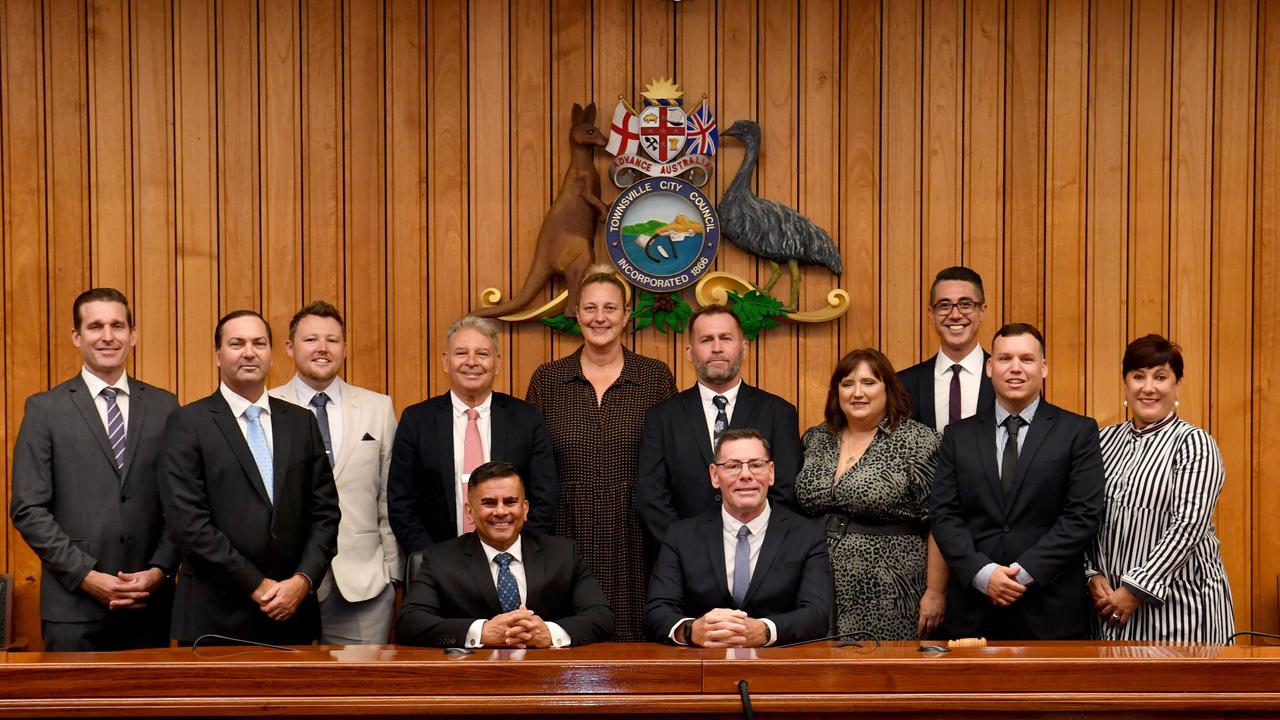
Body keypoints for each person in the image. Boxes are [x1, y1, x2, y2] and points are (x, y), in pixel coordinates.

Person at [10, 289, 179, 651]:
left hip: (149, 605)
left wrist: (158, 570)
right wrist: (85, 575)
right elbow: (28, 508)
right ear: (77, 336)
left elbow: (182, 503)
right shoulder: (45, 410)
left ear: (133, 334)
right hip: (73, 608)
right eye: (95, 326)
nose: (107, 336)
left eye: (117, 325)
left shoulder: (166, 406)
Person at [159, 310, 340, 645]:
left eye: (259, 343)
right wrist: (257, 585)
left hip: (293, 613)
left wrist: (302, 581)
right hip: (216, 617)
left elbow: (326, 513)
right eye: (236, 343)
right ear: (217, 355)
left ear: (271, 353)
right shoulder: (189, 423)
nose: (249, 352)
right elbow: (188, 524)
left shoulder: (301, 423)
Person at [525, 267, 677, 642]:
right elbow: (531, 464)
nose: (600, 317)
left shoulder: (655, 376)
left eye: (610, 308)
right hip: (566, 530)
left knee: (637, 642)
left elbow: (671, 462)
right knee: (566, 637)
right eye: (590, 308)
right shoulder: (548, 379)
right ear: (576, 313)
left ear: (627, 315)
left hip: (637, 534)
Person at [929, 323, 1105, 640]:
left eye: (1026, 359)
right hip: (973, 610)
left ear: (1044, 367)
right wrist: (983, 574)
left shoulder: (1077, 432)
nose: (1015, 368)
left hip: (1051, 611)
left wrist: (1021, 574)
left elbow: (1082, 515)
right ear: (989, 366)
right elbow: (944, 514)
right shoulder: (958, 436)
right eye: (1005, 358)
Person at [1085, 334, 1234, 642]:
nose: (1148, 387)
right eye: (1138, 376)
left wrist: (1135, 589)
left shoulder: (1194, 443)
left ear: (1177, 385)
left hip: (1185, 612)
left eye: (1160, 377)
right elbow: (1081, 514)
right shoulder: (1102, 441)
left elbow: (1188, 526)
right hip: (1110, 611)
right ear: (1125, 383)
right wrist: (1090, 573)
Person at [269, 301, 400, 644]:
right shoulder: (264, 408)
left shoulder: (378, 407)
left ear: (345, 347)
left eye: (333, 340)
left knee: (362, 693)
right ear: (290, 347)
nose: (322, 349)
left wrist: (392, 573)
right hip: (284, 585)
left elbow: (389, 496)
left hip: (363, 585)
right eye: (311, 339)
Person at [795, 348, 944, 640]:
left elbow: (941, 521)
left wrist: (936, 591)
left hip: (892, 587)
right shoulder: (816, 438)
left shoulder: (919, 441)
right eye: (847, 384)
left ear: (888, 387)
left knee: (884, 676)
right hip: (817, 584)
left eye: (869, 382)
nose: (857, 393)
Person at [644, 429, 831, 647]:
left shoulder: (806, 535)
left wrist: (765, 630)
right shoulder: (681, 536)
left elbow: (817, 615)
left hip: (780, 668)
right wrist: (691, 630)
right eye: (732, 466)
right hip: (703, 666)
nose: (745, 475)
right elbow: (656, 612)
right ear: (714, 475)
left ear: (771, 473)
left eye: (755, 464)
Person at [395, 461, 613, 648]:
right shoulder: (440, 559)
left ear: (525, 508)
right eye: (489, 503)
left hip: (548, 679)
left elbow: (601, 617)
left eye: (510, 502)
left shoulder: (563, 554)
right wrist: (482, 632)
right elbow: (409, 622)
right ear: (470, 511)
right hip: (472, 681)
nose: (501, 511)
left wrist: (549, 633)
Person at [388, 315, 557, 554]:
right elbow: (401, 504)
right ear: (446, 362)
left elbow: (544, 500)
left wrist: (518, 557)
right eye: (461, 353)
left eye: (482, 354)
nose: (471, 362)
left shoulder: (527, 419)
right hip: (438, 565)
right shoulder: (416, 421)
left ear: (497, 363)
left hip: (513, 563)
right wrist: (435, 563)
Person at [635, 305, 802, 545]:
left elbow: (785, 492)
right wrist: (688, 549)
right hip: (684, 561)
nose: (717, 348)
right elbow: (651, 498)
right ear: (690, 352)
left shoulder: (779, 413)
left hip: (760, 559)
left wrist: (750, 546)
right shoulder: (662, 418)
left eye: (725, 338)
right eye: (706, 340)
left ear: (743, 348)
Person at [898, 266, 996, 432]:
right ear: (931, 314)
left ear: (982, 312)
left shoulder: (1005, 379)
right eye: (944, 306)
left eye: (966, 304)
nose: (955, 315)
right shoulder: (902, 384)